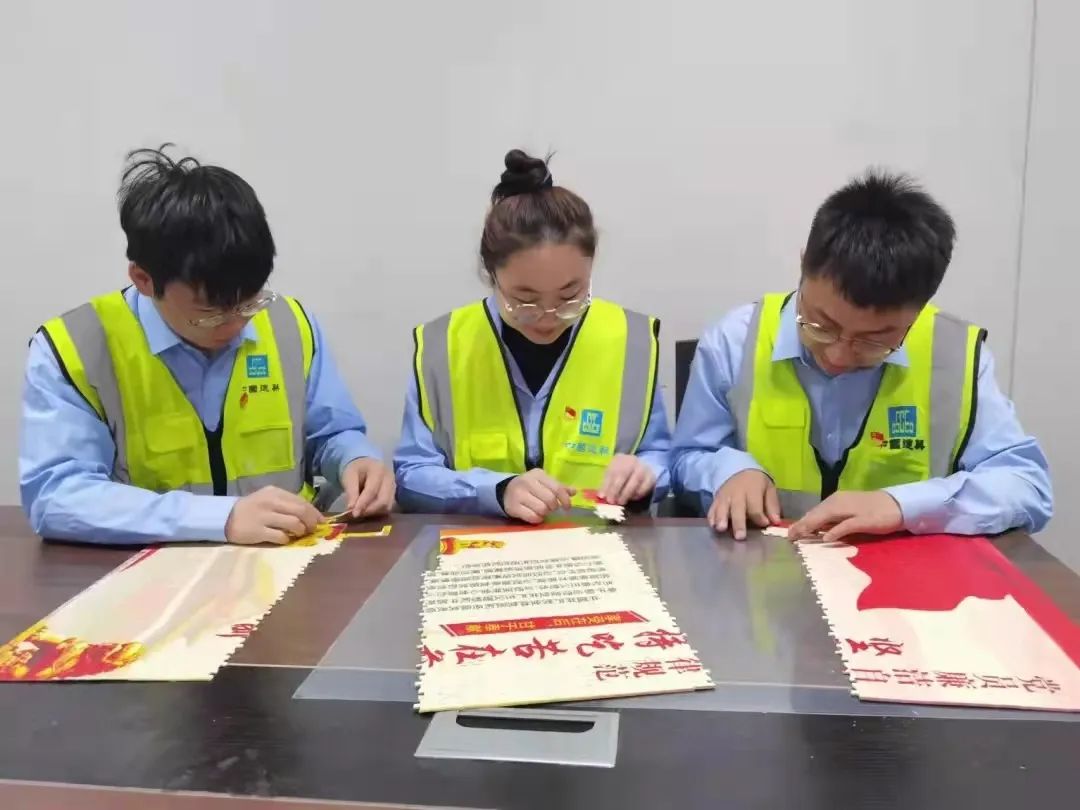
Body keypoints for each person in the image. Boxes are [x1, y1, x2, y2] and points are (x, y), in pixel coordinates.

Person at [19, 145, 394, 545]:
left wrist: (355, 458)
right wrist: (220, 518)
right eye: (210, 312)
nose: (236, 323)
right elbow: (57, 496)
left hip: (285, 560)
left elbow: (331, 433)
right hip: (148, 570)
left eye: (249, 302)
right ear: (144, 279)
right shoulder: (74, 349)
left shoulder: (290, 325)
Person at [672, 170, 1052, 542]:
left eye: (875, 340)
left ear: (919, 310)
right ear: (804, 265)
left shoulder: (953, 357)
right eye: (821, 325)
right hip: (764, 569)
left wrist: (903, 505)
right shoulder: (735, 341)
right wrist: (727, 470)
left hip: (902, 574)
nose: (838, 356)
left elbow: (1026, 484)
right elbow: (687, 456)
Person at [394, 149, 670, 522]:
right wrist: (496, 490)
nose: (547, 317)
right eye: (525, 300)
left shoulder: (631, 341)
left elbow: (663, 456)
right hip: (482, 547)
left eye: (570, 296)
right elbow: (412, 475)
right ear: (492, 275)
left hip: (600, 547)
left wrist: (646, 473)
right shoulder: (443, 346)